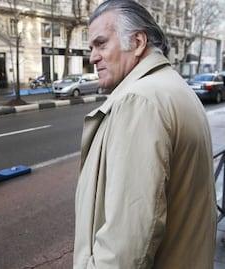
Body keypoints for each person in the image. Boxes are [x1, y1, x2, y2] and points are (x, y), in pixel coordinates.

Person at [74, 0, 217, 268]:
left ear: (138, 42)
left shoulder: (140, 101)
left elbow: (126, 244)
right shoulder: (174, 88)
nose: (92, 56)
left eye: (101, 43)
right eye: (91, 47)